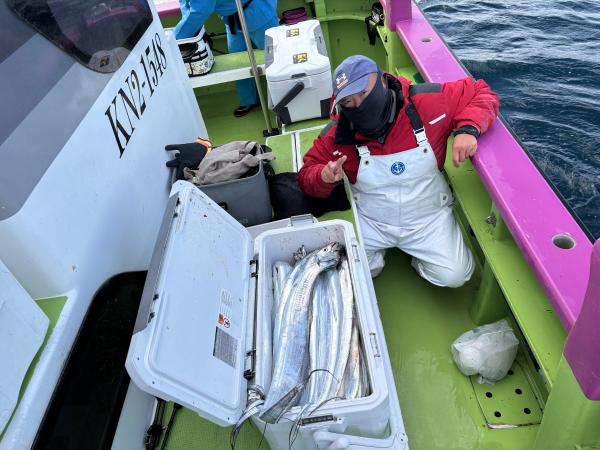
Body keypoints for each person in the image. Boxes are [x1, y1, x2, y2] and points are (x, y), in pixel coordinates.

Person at [298, 55, 499, 287]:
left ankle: (419, 259)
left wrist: (468, 128)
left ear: (383, 81)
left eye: (364, 93)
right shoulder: (336, 134)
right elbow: (306, 175)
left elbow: (480, 92)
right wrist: (323, 177)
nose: (359, 105)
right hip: (372, 221)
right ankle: (375, 260)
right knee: (350, 271)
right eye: (349, 102)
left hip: (427, 218)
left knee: (456, 275)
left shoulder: (427, 102)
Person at [174, 0, 278, 117]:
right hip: (232, 18)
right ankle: (248, 99)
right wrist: (185, 30)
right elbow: (186, 3)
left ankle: (282, 97)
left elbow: (200, 10)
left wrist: (173, 40)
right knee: (237, 61)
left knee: (275, 58)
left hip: (257, 11)